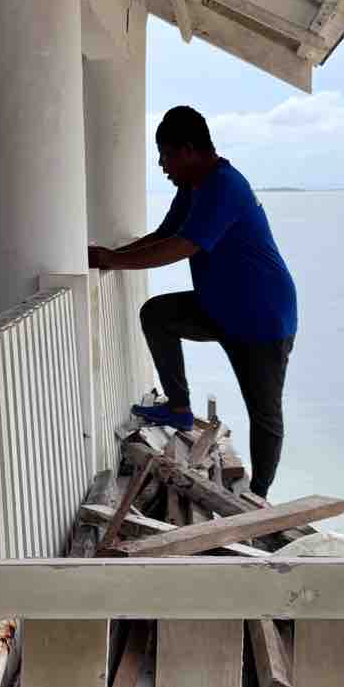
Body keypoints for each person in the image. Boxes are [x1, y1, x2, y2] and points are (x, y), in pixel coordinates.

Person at [88, 105, 297, 500]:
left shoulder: (224, 187)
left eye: (165, 156)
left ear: (188, 150)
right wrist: (109, 257)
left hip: (262, 317)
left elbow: (183, 246)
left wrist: (114, 260)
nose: (162, 166)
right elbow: (166, 234)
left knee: (264, 414)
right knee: (158, 314)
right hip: (218, 308)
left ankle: (258, 498)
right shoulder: (192, 188)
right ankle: (179, 407)